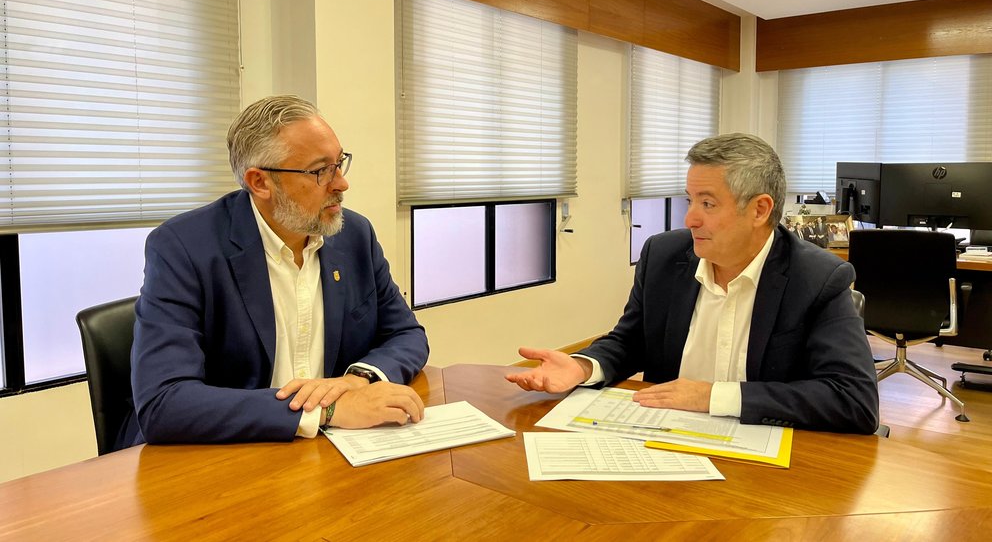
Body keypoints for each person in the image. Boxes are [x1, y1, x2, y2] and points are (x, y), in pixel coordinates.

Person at [506, 133, 879, 434]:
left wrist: (714, 397)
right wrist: (584, 367)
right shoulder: (665, 256)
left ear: (760, 210)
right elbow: (631, 341)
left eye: (708, 204)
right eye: (689, 200)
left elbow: (853, 400)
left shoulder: (817, 278)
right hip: (664, 441)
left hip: (770, 462)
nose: (690, 218)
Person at [126, 95, 428, 447]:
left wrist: (356, 380)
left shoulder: (354, 236)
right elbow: (164, 402)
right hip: (229, 458)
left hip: (335, 452)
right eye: (319, 171)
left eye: (339, 163)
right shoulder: (184, 247)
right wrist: (325, 412)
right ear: (260, 183)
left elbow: (407, 334)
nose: (341, 184)